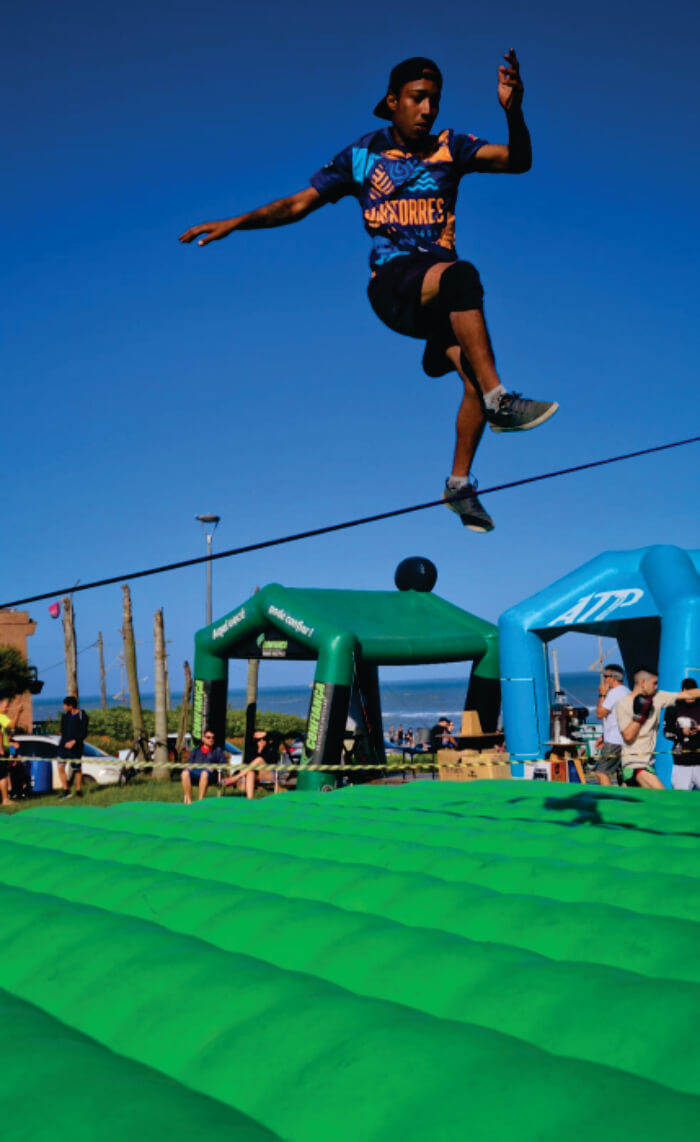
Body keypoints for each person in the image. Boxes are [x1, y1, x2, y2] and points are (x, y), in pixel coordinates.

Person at [180, 51, 557, 533]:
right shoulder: (362, 154)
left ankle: (459, 486)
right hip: (394, 286)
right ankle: (499, 400)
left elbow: (518, 161)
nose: (427, 111)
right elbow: (298, 203)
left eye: (434, 102)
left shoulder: (451, 147)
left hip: (438, 297)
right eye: (418, 100)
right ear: (392, 100)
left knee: (471, 376)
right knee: (463, 282)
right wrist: (238, 222)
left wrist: (513, 111)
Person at [615, 669, 700, 790]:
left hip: (648, 763)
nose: (656, 686)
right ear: (643, 683)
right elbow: (628, 736)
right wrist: (640, 716)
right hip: (633, 764)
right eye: (654, 683)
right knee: (664, 798)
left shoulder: (658, 697)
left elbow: (687, 694)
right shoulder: (623, 703)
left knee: (637, 806)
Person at [593, 664, 629, 786]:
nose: (603, 679)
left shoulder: (614, 693)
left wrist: (602, 694)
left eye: (605, 676)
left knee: (601, 772)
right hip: (625, 738)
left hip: (614, 740)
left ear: (613, 678)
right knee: (623, 774)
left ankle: (608, 801)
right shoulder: (626, 691)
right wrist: (603, 736)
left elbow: (599, 714)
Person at [664, 678, 700, 791]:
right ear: (682, 691)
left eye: (692, 693)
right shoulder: (673, 708)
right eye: (687, 693)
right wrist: (681, 732)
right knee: (680, 798)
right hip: (681, 762)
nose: (690, 697)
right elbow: (667, 732)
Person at [181, 729, 228, 804]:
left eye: (213, 738)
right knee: (184, 773)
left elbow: (223, 765)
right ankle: (189, 802)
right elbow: (189, 764)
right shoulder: (195, 751)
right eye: (208, 737)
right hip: (195, 773)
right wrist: (189, 767)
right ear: (203, 739)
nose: (211, 739)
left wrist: (215, 767)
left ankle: (200, 802)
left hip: (211, 776)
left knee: (204, 773)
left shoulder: (218, 751)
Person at [57, 696, 89, 800]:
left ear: (70, 706)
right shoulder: (65, 717)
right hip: (63, 747)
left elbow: (84, 733)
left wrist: (74, 741)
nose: (63, 707)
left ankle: (79, 790)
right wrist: (63, 742)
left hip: (76, 747)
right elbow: (62, 731)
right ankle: (66, 791)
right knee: (60, 767)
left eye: (65, 705)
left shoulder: (82, 716)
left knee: (77, 768)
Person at [0, 697, 24, 808]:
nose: (8, 708)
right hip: (1, 752)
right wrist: (18, 713)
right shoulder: (1, 717)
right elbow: (12, 725)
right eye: (6, 706)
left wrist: (10, 742)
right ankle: (5, 799)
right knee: (3, 776)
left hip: (3, 749)